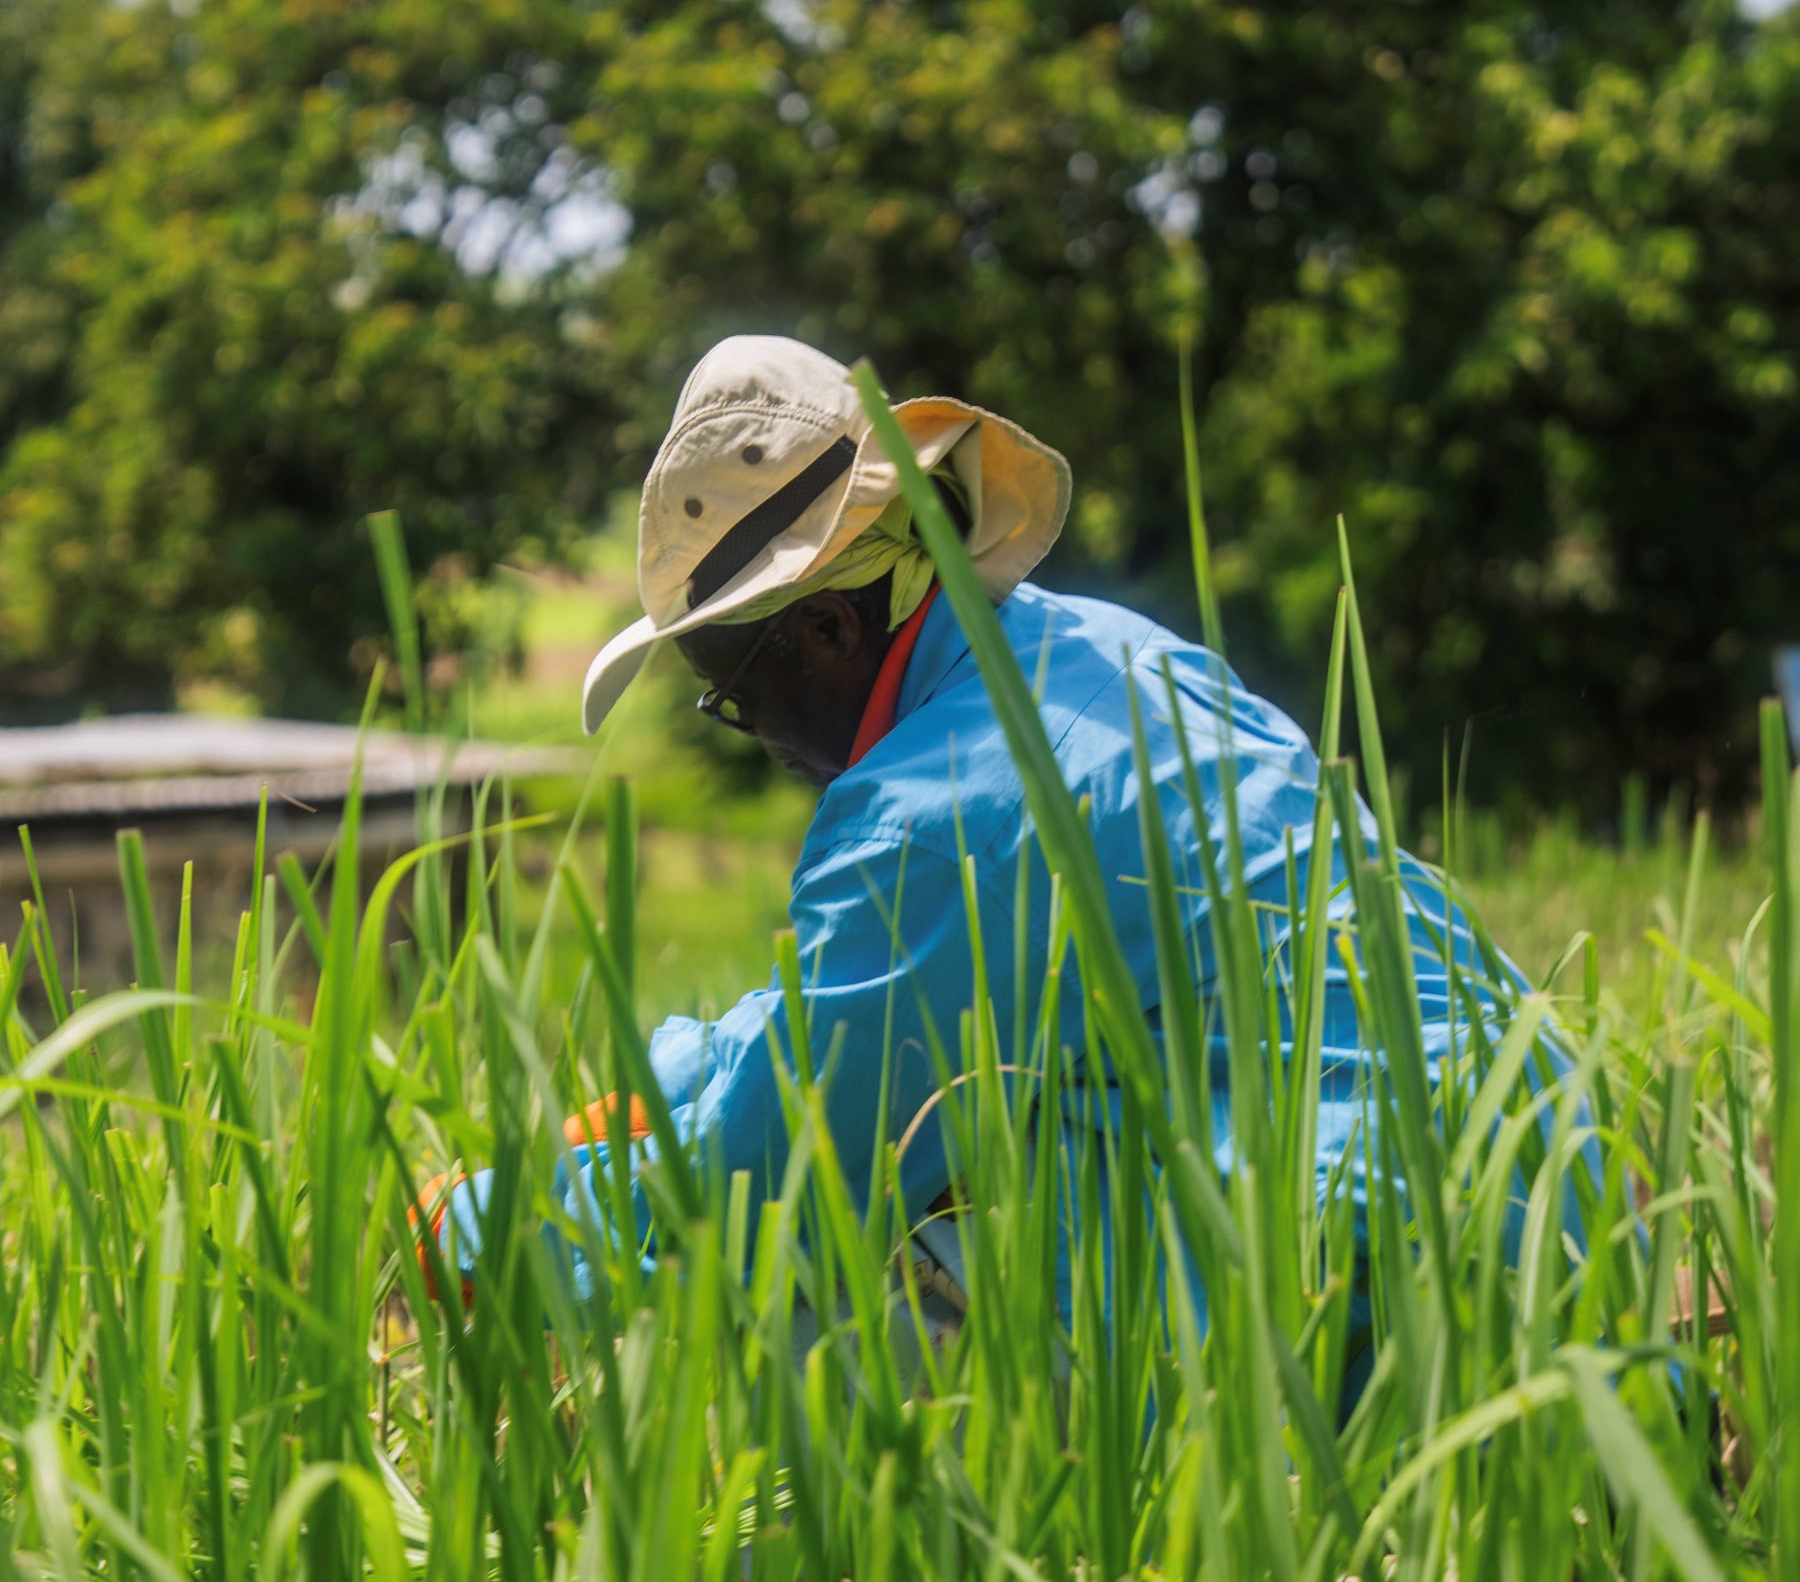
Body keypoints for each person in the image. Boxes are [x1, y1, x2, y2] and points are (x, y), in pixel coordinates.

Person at [436, 335, 1558, 1369]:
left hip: (1366, 1280)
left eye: (732, 694)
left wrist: (474, 1225)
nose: (754, 735)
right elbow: (849, 1020)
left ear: (824, 632)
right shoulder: (1098, 651)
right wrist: (657, 1085)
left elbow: (774, 1175)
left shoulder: (926, 813)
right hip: (1537, 1177)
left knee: (794, 1308)